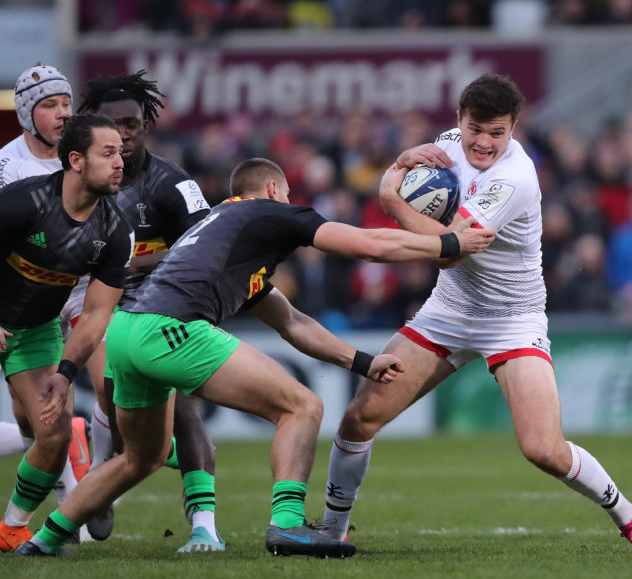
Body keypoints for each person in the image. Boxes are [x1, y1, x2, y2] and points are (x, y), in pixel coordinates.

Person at [14, 158, 494, 558]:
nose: (291, 207)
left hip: (126, 333)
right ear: (271, 189)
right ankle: (286, 524)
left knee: (142, 458)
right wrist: (448, 244)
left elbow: (293, 324)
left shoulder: (224, 233)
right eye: (287, 195)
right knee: (301, 407)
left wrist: (362, 363)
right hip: (172, 330)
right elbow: (368, 245)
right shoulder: (270, 212)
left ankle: (46, 539)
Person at [319, 73, 632, 554]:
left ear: (514, 128)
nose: (484, 142)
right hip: (450, 308)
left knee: (543, 449)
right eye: (475, 129)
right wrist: (405, 159)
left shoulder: (514, 179)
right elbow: (429, 163)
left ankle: (629, 517)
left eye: (497, 133)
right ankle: (331, 535)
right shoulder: (448, 143)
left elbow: (448, 251)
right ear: (459, 120)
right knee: (359, 418)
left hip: (513, 317)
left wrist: (389, 199)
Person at [74, 70, 218, 551]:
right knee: (113, 402)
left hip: (168, 309)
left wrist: (132, 262)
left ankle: (204, 528)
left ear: (145, 125)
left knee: (185, 411)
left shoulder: (174, 183)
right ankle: (108, 466)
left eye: (133, 122)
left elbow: (205, 241)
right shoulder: (83, 184)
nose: (126, 132)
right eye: (114, 125)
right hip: (102, 308)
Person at [0, 114, 133, 552]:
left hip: (35, 329)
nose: (120, 162)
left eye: (121, 152)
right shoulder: (22, 202)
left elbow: (96, 315)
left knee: (51, 431)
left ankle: (12, 527)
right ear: (76, 160)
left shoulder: (115, 230)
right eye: (108, 153)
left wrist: (65, 370)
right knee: (31, 425)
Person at [0, 64, 91, 517]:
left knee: (47, 416)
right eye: (49, 106)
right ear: (25, 114)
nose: (62, 114)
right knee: (27, 416)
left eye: (66, 104)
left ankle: (69, 501)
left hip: (63, 297)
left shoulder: (82, 160)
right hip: (10, 303)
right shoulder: (6, 168)